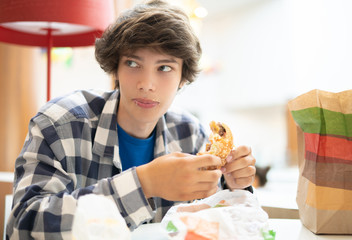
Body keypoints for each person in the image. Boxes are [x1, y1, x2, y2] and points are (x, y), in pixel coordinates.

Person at [6, 0, 256, 239]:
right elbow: (22, 226)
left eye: (165, 68)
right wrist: (144, 183)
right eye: (133, 63)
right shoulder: (59, 125)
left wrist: (236, 187)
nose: (146, 84)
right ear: (115, 68)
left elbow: (223, 224)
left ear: (183, 78)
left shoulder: (191, 135)